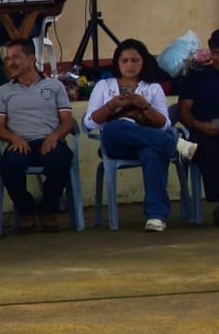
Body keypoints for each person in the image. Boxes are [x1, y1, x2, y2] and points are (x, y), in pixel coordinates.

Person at [83, 39, 198, 232]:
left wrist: (144, 106)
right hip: (116, 143)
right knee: (114, 128)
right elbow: (89, 123)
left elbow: (164, 124)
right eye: (125, 60)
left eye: (135, 60)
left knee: (152, 152)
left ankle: (156, 216)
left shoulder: (152, 88)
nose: (129, 65)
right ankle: (175, 144)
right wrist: (112, 105)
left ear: (143, 62)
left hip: (147, 141)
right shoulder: (104, 85)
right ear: (117, 63)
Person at [0, 39, 76, 230]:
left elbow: (67, 121)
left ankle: (47, 209)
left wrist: (54, 137)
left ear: (31, 59)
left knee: (61, 161)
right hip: (20, 143)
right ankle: (26, 209)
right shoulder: (3, 91)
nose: (11, 63)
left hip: (49, 140)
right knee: (9, 166)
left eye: (16, 57)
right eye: (8, 59)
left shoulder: (55, 86)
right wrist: (14, 138)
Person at [176, 29, 219, 226]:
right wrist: (197, 124)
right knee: (203, 146)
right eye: (216, 53)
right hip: (202, 130)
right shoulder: (197, 76)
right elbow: (183, 111)